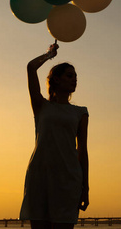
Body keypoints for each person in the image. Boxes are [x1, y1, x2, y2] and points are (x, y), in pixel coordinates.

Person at [20, 43, 89, 229]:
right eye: (70, 75)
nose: (75, 79)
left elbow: (83, 151)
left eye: (76, 76)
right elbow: (30, 67)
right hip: (40, 176)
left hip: (68, 179)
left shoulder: (80, 113)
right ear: (56, 80)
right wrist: (49, 54)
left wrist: (86, 188)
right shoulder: (41, 106)